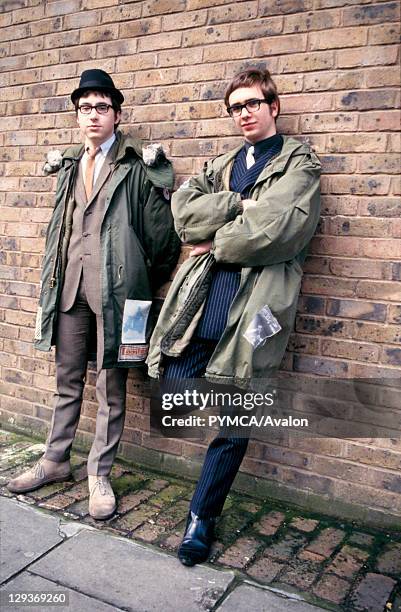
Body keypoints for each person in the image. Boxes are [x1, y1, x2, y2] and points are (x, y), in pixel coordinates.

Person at [147, 67, 321, 565]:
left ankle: (202, 517)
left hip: (254, 310)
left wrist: (213, 240)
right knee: (174, 385)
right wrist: (241, 203)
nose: (244, 113)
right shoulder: (222, 164)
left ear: (274, 106)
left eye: (252, 103)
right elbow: (183, 214)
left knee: (235, 417)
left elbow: (279, 230)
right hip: (202, 302)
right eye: (236, 106)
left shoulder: (299, 164)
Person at [7, 69, 180, 520]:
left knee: (111, 387)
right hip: (70, 293)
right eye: (85, 108)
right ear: (77, 116)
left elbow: (163, 239)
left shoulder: (135, 166)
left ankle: (98, 474)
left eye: (102, 107)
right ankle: (54, 460)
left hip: (121, 298)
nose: (93, 116)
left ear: (116, 115)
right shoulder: (69, 165)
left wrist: (135, 274)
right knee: (67, 381)